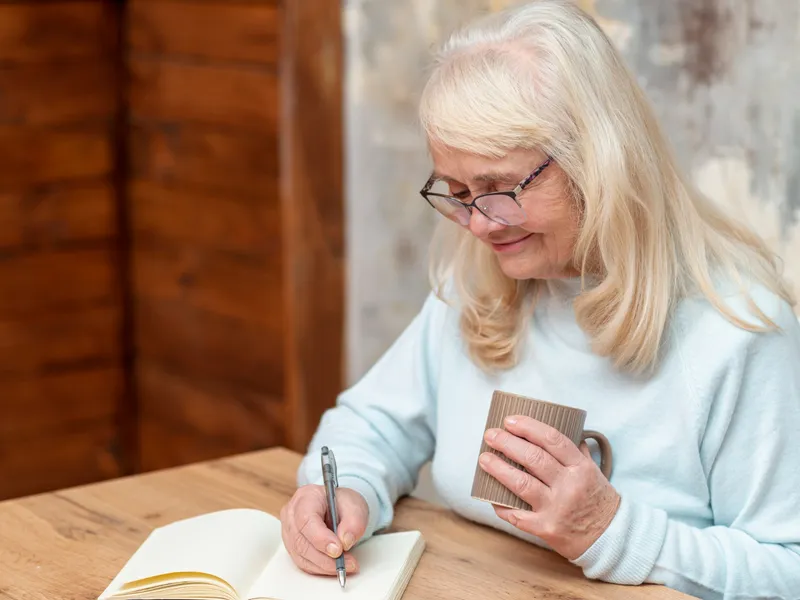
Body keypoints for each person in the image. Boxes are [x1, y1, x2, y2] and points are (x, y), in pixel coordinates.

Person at [278, 1, 800, 598]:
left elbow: (789, 567)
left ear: (600, 159)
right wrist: (345, 487)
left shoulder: (739, 331)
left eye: (501, 188)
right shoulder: (476, 281)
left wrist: (614, 532)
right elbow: (373, 424)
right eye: (457, 191)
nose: (478, 224)